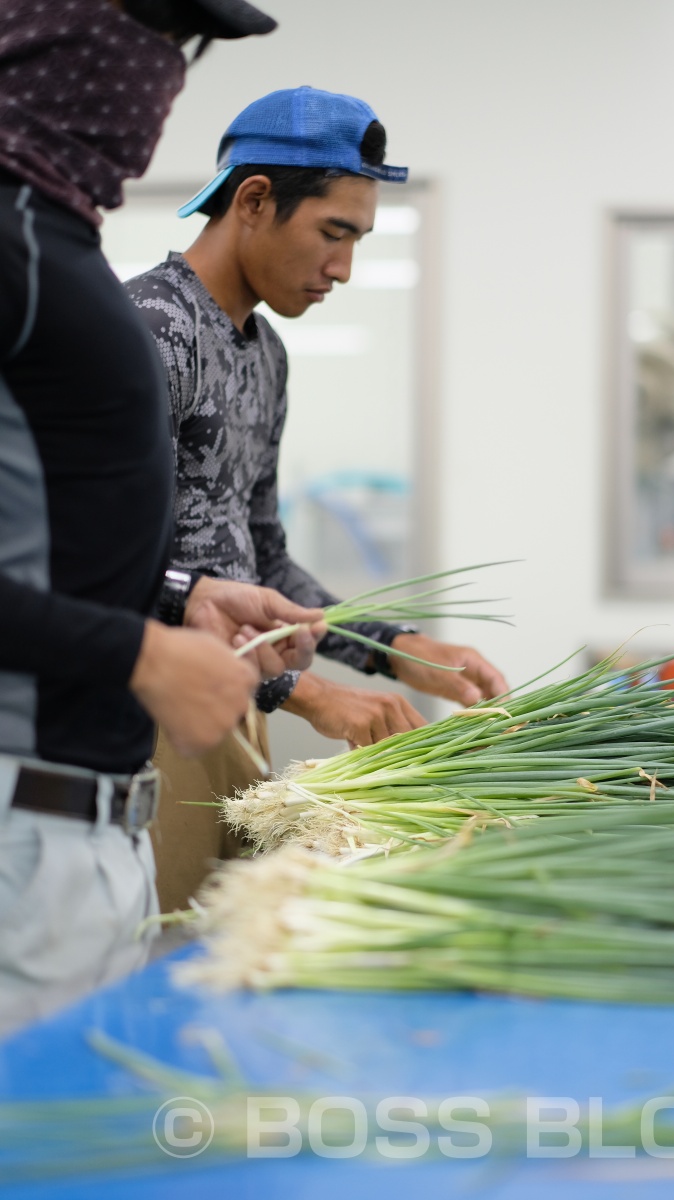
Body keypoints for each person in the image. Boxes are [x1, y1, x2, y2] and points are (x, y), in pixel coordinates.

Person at [0, 0, 325, 1035]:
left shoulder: (60, 242)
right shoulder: (21, 250)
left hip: (93, 830)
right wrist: (140, 653)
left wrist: (182, 596)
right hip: (25, 823)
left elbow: (62, 546)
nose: (159, 78)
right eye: (153, 33)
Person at [125, 86, 509, 909]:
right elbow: (111, 573)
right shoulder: (152, 332)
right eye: (333, 234)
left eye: (358, 239)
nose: (343, 269)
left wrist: (393, 648)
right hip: (150, 719)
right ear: (255, 200)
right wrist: (311, 693)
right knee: (155, 965)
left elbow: (263, 559)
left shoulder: (265, 356)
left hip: (236, 720)